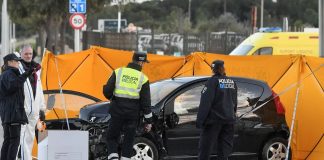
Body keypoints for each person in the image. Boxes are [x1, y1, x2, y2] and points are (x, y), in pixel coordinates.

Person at [103, 51, 153, 160]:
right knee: (128, 141)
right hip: (132, 116)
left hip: (117, 112)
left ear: (133, 60)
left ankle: (113, 158)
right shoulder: (143, 78)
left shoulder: (118, 72)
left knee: (111, 138)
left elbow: (107, 91)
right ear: (141, 63)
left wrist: (114, 99)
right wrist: (149, 121)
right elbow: (146, 103)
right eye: (144, 63)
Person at [196, 60, 238, 160]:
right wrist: (232, 114)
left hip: (213, 122)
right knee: (224, 153)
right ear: (223, 68)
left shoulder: (212, 82)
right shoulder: (232, 82)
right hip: (229, 121)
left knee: (205, 150)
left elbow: (205, 103)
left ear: (213, 69)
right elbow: (234, 103)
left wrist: (200, 121)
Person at [0, 53, 33, 160]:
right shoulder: (9, 74)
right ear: (9, 62)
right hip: (13, 114)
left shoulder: (5, 74)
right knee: (14, 141)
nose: (18, 63)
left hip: (8, 114)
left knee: (8, 140)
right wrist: (25, 75)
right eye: (16, 61)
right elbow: (13, 86)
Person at [17, 45, 46, 160]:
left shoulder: (36, 70)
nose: (28, 56)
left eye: (30, 54)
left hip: (34, 112)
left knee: (29, 140)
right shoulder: (18, 69)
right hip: (23, 111)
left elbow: (39, 91)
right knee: (23, 140)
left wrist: (42, 108)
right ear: (21, 54)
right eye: (26, 54)